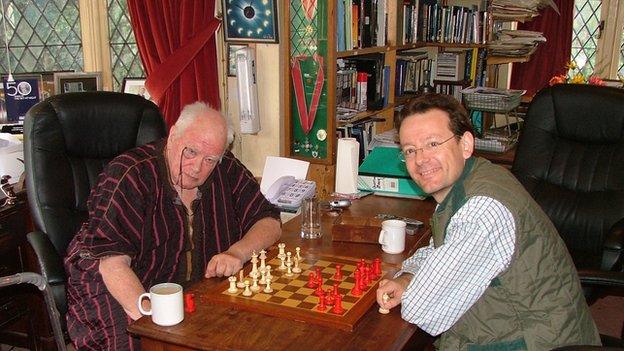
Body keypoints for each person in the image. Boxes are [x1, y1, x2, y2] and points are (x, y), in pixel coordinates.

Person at [376, 94, 600, 349]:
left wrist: (411, 286)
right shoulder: (474, 177)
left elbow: (421, 308)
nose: (421, 159)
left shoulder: (482, 210)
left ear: (465, 145)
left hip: (535, 343)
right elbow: (442, 249)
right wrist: (407, 277)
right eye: (410, 150)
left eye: (433, 143)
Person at [64, 102, 281, 350]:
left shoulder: (225, 168)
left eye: (209, 159)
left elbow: (270, 221)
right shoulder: (130, 174)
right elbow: (112, 265)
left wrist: (237, 252)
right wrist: (151, 321)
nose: (197, 167)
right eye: (190, 152)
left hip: (186, 286)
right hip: (115, 281)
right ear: (174, 134)